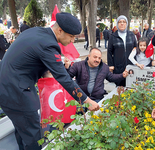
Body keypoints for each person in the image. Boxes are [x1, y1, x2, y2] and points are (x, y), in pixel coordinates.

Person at [0, 12, 100, 150]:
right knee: (33, 138)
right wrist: (87, 101)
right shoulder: (49, 45)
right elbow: (64, 79)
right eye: (71, 36)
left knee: (22, 131)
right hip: (17, 93)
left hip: (7, 89)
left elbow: (29, 61)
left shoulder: (36, 31)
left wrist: (54, 64)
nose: (72, 41)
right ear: (60, 31)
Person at [64, 47, 128, 103]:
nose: (97, 60)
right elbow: (68, 77)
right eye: (95, 57)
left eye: (99, 58)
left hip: (97, 99)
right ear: (89, 56)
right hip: (81, 98)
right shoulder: (78, 65)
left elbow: (111, 77)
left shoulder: (104, 67)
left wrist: (122, 75)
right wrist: (67, 67)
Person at [107, 15, 137, 86]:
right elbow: (109, 52)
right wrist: (110, 65)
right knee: (119, 87)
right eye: (120, 22)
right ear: (117, 24)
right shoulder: (113, 37)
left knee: (131, 86)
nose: (122, 23)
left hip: (130, 66)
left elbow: (136, 48)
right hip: (118, 66)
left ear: (126, 24)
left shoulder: (131, 35)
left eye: (124, 22)